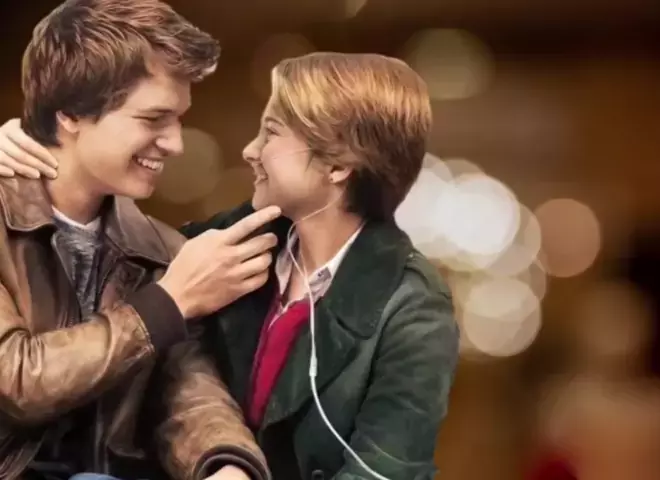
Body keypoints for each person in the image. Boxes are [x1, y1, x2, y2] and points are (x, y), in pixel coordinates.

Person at [0, 52, 460, 480]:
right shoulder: (214, 248)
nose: (250, 150)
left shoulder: (413, 309)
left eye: (271, 133)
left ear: (338, 166)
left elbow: (384, 470)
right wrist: (37, 156)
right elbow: (89, 320)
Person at [0, 1, 279, 479]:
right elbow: (17, 381)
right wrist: (167, 303)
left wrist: (228, 464)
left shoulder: (160, 250)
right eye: (153, 119)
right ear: (71, 112)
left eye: (179, 119)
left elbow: (188, 396)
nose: (176, 143)